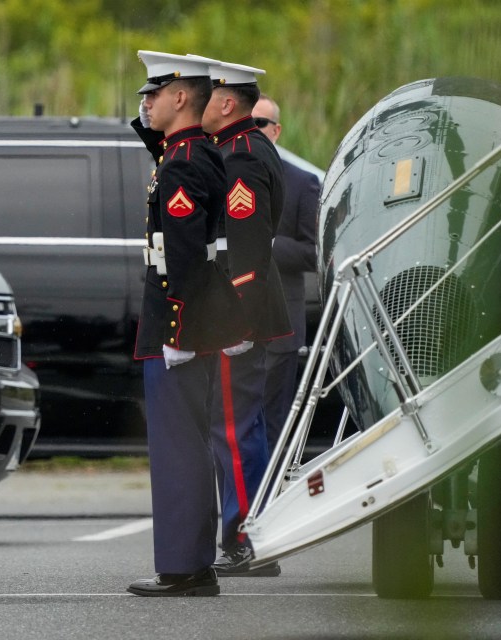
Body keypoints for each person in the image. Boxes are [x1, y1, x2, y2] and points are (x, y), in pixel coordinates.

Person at [126, 51, 248, 597]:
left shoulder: (184, 161)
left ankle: (184, 568)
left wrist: (176, 334)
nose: (144, 104)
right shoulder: (191, 152)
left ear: (180, 97)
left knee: (179, 448)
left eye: (153, 95)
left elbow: (185, 255)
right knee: (187, 443)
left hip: (176, 323)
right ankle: (190, 562)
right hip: (188, 321)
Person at [200, 60, 291, 577]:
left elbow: (248, 250)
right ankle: (245, 534)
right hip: (242, 311)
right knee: (235, 426)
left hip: (240, 313)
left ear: (228, 102)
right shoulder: (244, 148)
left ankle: (246, 538)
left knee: (235, 430)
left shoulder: (241, 156)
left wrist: (237, 320)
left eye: (207, 96)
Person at [251, 95, 320, 452]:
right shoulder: (228, 177)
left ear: (276, 131)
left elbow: (314, 252)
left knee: (273, 424)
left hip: (280, 326)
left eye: (260, 123)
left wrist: (268, 246)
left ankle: (272, 500)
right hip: (235, 326)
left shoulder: (302, 183)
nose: (252, 130)